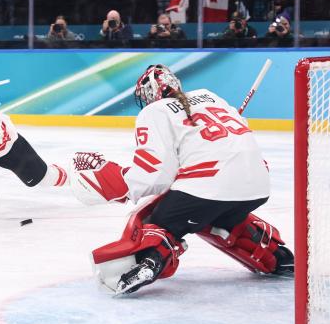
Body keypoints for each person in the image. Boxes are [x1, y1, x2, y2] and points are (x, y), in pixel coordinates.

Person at [70, 64, 294, 295]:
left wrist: (123, 186)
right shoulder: (210, 96)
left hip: (210, 187)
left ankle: (149, 262)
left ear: (149, 93)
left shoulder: (155, 112)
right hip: (258, 185)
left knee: (156, 221)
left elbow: (154, 175)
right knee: (222, 217)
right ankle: (276, 257)